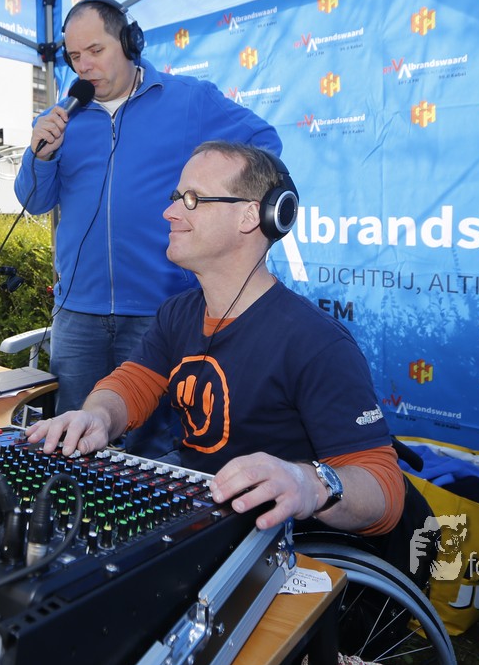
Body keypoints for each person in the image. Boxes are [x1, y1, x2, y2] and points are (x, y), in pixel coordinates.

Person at [25, 141, 405, 539]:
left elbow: (386, 491)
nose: (170, 212)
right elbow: (132, 384)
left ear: (250, 216)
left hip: (278, 542)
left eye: (192, 199)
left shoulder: (317, 343)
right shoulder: (177, 313)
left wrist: (309, 483)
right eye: (175, 197)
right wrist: (98, 417)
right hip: (201, 522)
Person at [14, 0, 282, 461]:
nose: (84, 66)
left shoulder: (189, 100)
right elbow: (34, 200)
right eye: (74, 56)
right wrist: (41, 153)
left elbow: (265, 143)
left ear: (129, 42)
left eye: (95, 50)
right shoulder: (62, 117)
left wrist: (209, 197)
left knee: (154, 451)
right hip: (77, 313)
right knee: (73, 440)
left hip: (162, 312)